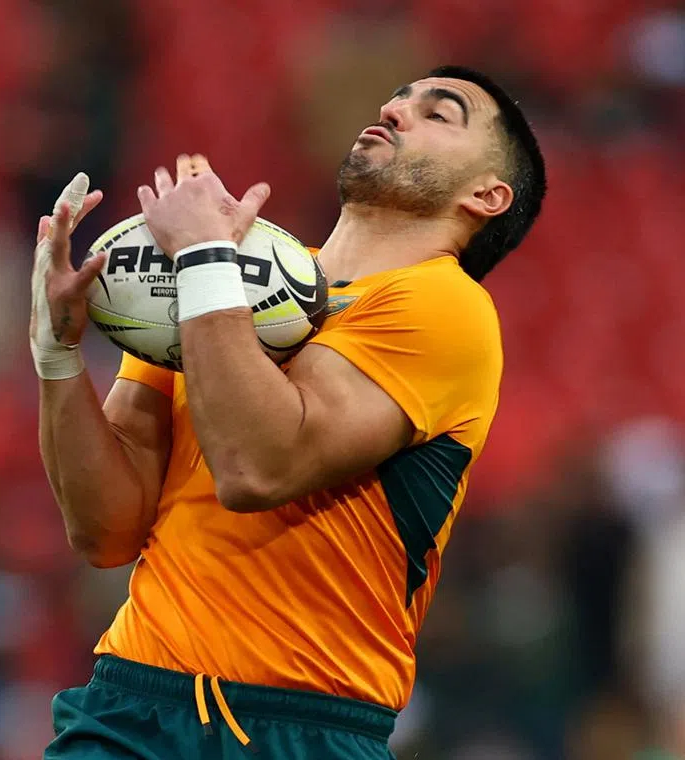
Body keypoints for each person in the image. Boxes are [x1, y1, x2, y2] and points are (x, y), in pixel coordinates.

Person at [29, 65, 546, 759]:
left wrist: (207, 258)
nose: (395, 109)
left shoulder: (446, 309)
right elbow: (106, 533)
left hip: (301, 724)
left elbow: (259, 467)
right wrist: (58, 352)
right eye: (397, 97)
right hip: (131, 703)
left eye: (438, 113)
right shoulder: (217, 273)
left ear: (488, 194)